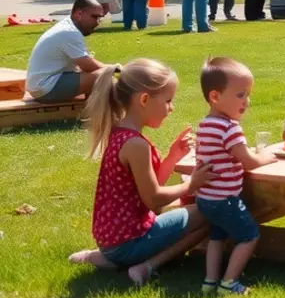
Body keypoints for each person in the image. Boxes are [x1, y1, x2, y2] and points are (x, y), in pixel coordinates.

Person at [68, 59, 214, 286]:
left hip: (112, 241)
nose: (171, 108)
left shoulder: (119, 133)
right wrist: (191, 184)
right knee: (209, 212)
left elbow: (150, 186)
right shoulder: (136, 145)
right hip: (130, 242)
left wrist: (173, 156)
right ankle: (147, 267)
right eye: (168, 101)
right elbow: (154, 199)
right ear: (144, 99)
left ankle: (104, 257)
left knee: (189, 211)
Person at [196, 58, 277, 296]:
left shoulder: (205, 124)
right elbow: (249, 161)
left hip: (206, 199)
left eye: (248, 95)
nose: (247, 102)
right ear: (215, 97)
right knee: (249, 236)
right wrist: (266, 156)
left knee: (217, 236)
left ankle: (209, 281)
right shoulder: (230, 128)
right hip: (226, 199)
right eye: (240, 95)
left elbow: (224, 154)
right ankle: (229, 283)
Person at [26, 0, 110, 102]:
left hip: (41, 86)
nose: (97, 22)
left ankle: (89, 110)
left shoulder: (67, 27)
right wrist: (118, 69)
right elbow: (88, 66)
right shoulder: (70, 32)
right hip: (46, 88)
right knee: (103, 76)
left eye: (100, 18)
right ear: (79, 14)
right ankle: (95, 114)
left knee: (99, 74)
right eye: (95, 17)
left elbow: (85, 65)